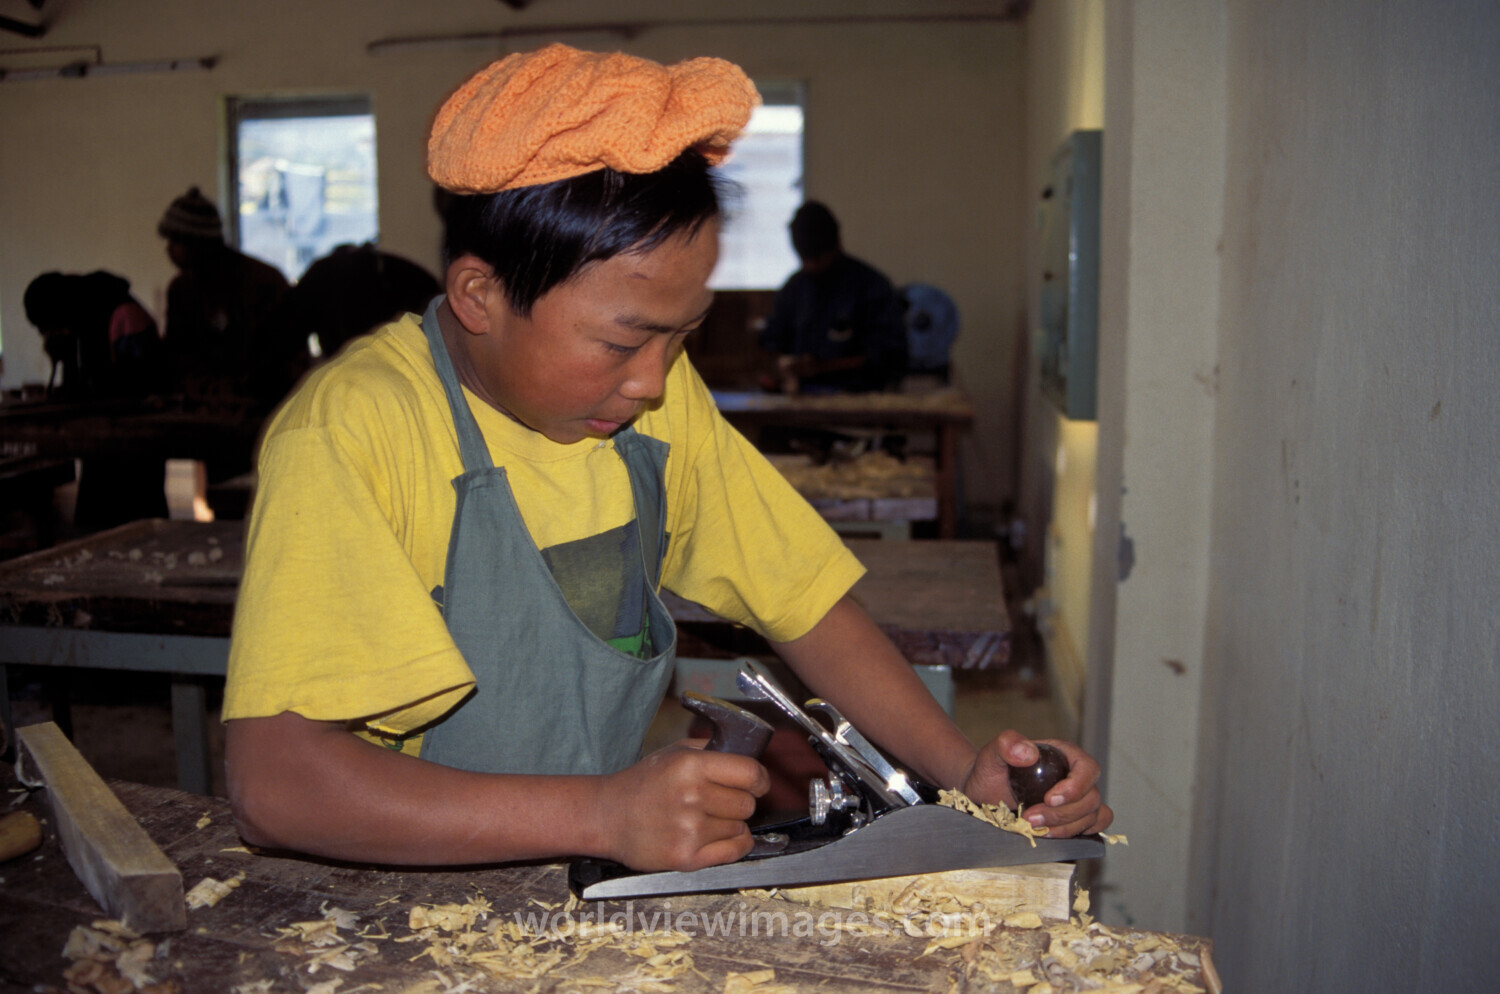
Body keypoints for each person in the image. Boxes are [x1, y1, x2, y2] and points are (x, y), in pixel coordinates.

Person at [223, 44, 1112, 873]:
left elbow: (804, 603)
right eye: (623, 343)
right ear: (479, 296)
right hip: (392, 893)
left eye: (683, 337)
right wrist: (602, 817)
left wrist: (964, 770)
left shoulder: (651, 402)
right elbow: (276, 785)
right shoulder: (358, 432)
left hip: (576, 874)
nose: (654, 381)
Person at [22, 270, 170, 528]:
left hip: (136, 448)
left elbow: (141, 384)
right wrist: (62, 358)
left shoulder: (123, 314)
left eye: (52, 324)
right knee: (99, 526)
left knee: (138, 525)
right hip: (102, 449)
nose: (56, 331)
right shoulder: (82, 322)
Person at [156, 187, 290, 408]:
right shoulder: (181, 290)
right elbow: (178, 357)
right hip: (207, 406)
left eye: (174, 241)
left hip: (262, 405)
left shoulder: (262, 282)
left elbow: (280, 356)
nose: (168, 250)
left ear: (195, 243)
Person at [758, 201, 908, 394]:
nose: (811, 267)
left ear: (837, 245)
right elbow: (772, 341)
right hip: (797, 402)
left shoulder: (871, 287)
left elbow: (890, 356)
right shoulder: (795, 288)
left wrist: (823, 367)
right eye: (804, 259)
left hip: (859, 402)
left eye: (817, 259)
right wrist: (782, 366)